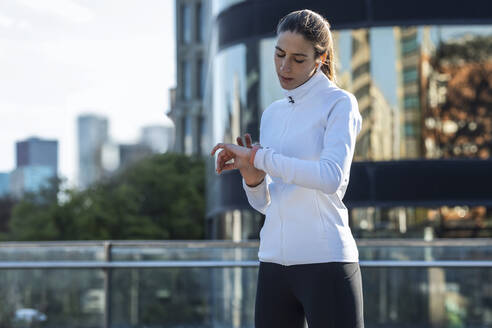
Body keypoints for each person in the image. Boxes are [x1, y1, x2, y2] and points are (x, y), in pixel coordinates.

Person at [211, 9, 364, 328]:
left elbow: (330, 177)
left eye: (297, 58)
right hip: (273, 266)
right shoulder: (273, 113)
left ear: (320, 59)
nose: (284, 66)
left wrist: (260, 158)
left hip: (326, 262)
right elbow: (267, 203)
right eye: (279, 54)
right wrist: (253, 180)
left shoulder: (340, 104)